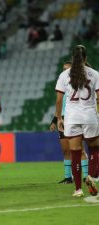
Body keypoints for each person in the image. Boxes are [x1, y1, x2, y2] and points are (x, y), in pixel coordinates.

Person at [55, 45, 99, 197]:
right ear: (86, 58)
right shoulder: (95, 74)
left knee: (75, 153)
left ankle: (78, 189)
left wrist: (59, 118)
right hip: (90, 117)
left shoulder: (65, 75)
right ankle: (92, 177)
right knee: (94, 149)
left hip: (72, 118)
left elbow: (59, 100)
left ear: (72, 58)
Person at [50, 61, 89, 184]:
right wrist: (54, 120)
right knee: (66, 150)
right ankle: (68, 177)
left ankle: (86, 176)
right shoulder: (62, 86)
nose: (65, 71)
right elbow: (59, 105)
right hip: (63, 119)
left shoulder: (79, 85)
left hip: (76, 118)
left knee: (80, 149)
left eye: (67, 69)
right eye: (63, 69)